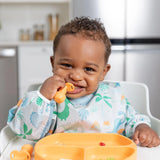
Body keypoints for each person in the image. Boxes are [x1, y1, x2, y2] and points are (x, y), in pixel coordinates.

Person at [7, 17, 160, 147]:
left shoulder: (113, 98)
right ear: (53, 63)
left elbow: (133, 119)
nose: (76, 76)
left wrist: (142, 127)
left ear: (103, 72)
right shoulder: (47, 98)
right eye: (67, 65)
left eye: (89, 69)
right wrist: (42, 97)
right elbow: (25, 132)